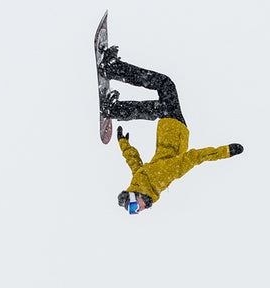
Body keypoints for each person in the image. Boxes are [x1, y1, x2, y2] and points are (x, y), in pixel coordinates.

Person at [98, 46, 244, 214]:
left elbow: (136, 162)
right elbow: (192, 157)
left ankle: (114, 80)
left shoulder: (152, 179)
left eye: (133, 207)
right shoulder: (152, 184)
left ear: (133, 196)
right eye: (134, 211)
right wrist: (226, 151)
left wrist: (124, 144)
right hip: (175, 130)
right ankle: (115, 84)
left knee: (164, 87)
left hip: (172, 129)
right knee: (163, 90)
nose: (139, 210)